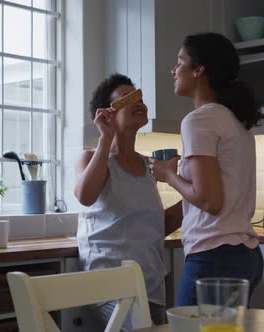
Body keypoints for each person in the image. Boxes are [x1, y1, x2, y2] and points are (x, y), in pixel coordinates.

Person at [150, 32, 264, 306]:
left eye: (180, 62)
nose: (173, 70)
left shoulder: (198, 120)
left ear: (199, 70)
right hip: (245, 254)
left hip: (214, 256)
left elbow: (210, 201)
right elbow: (211, 200)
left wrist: (168, 175)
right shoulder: (234, 120)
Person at [74, 74, 182, 330]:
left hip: (150, 285)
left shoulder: (149, 165)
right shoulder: (90, 157)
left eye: (139, 97)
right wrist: (105, 138)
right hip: (108, 284)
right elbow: (85, 196)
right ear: (107, 114)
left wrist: (194, 193)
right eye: (126, 98)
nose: (139, 102)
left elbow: (156, 226)